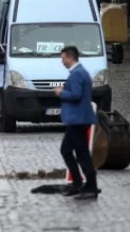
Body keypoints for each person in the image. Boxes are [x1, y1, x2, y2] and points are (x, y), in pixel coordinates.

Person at [53, 46, 99, 200]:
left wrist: (61, 92)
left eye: (63, 58)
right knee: (67, 150)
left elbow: (76, 95)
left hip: (78, 120)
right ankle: (79, 183)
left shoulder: (77, 74)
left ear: (71, 57)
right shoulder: (80, 72)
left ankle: (90, 186)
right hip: (77, 119)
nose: (62, 61)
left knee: (81, 154)